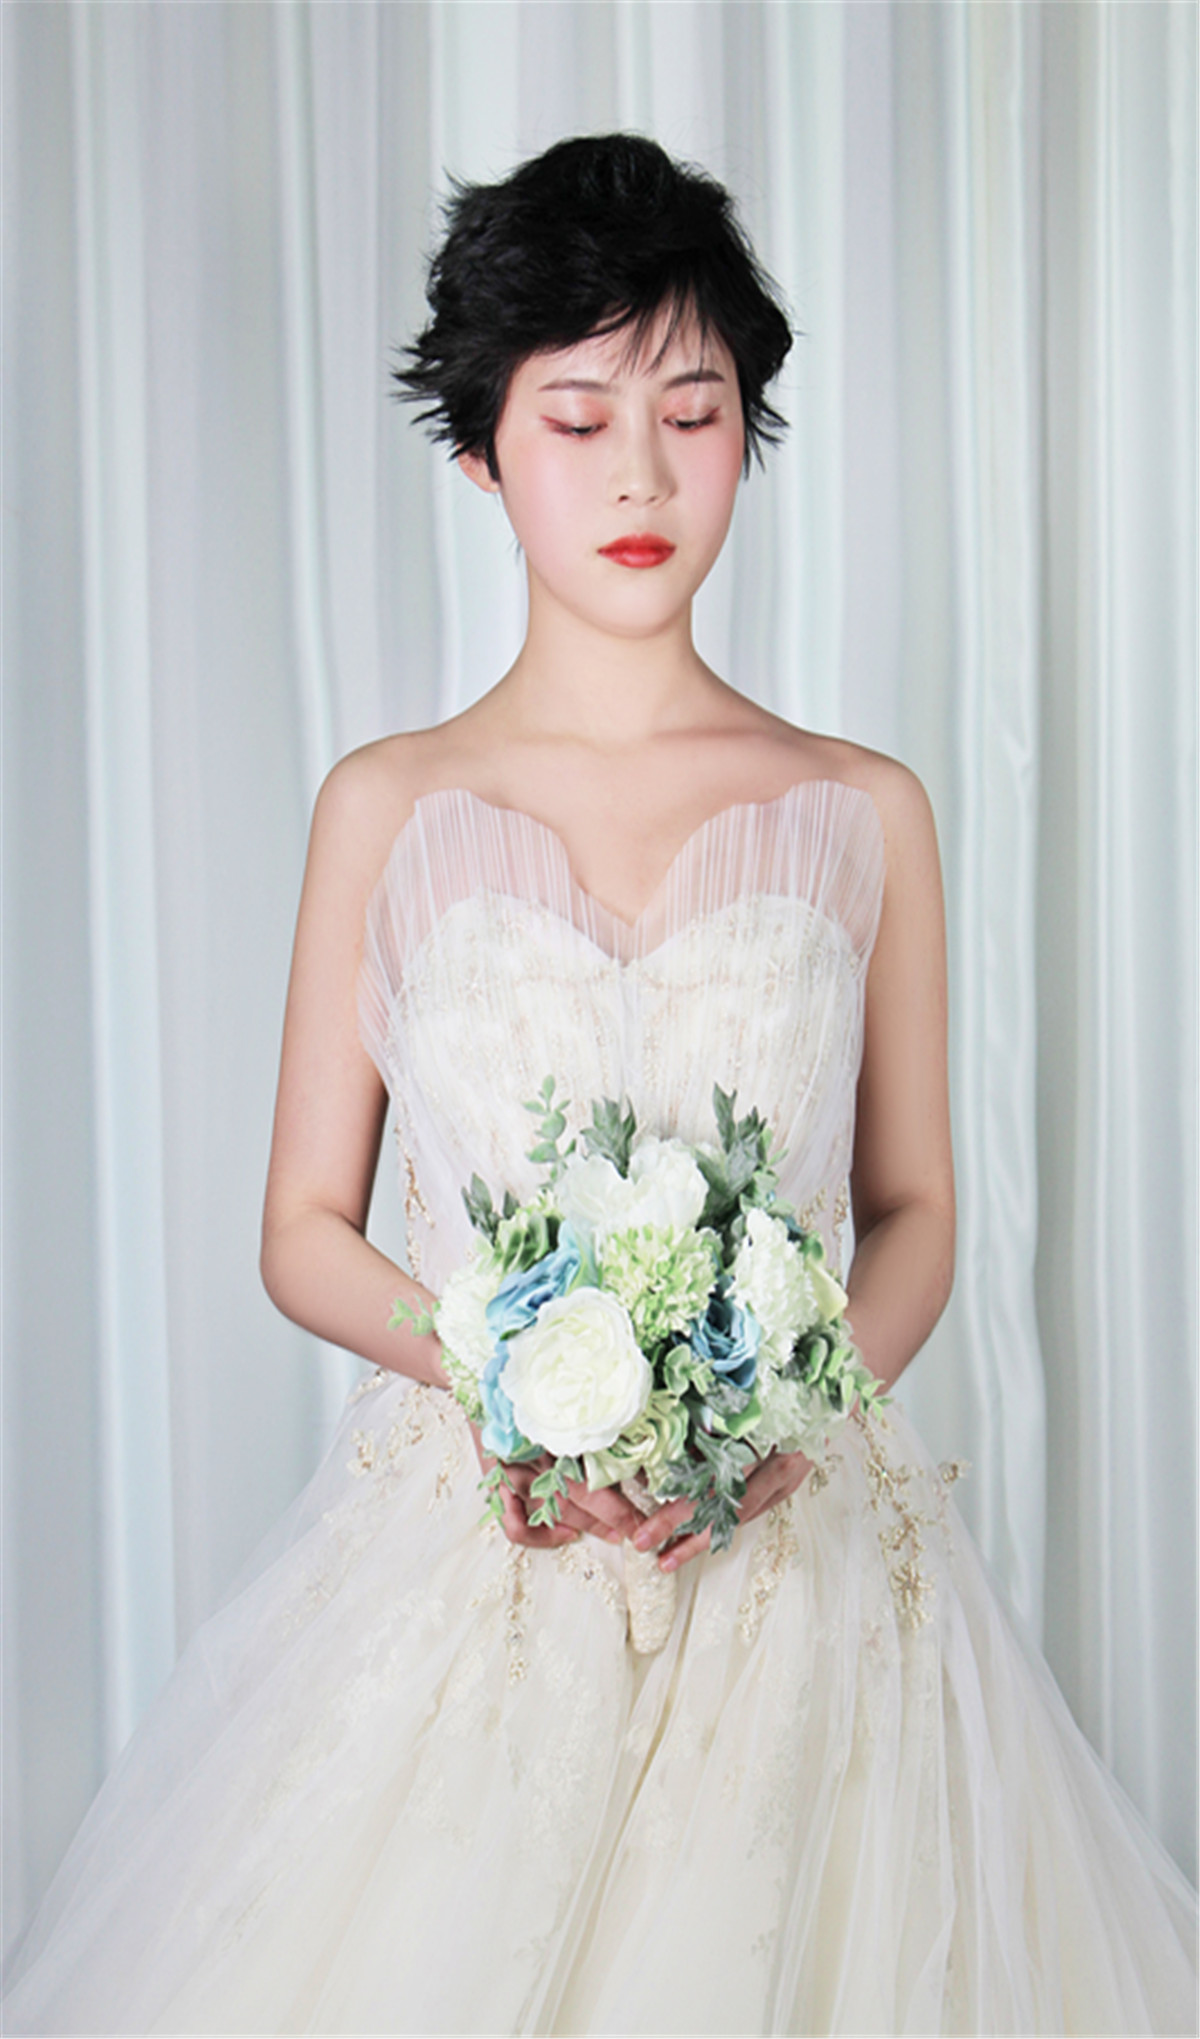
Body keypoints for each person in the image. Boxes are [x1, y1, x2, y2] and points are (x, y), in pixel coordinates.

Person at [3, 132, 1196, 2037]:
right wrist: (508, 1383)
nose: (641, 473)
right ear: (484, 452)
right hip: (476, 1546)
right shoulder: (385, 807)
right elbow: (301, 1229)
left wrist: (789, 1412)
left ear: (746, 436)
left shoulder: (866, 808)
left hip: (799, 1554)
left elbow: (917, 1213)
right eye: (577, 418)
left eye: (692, 413)